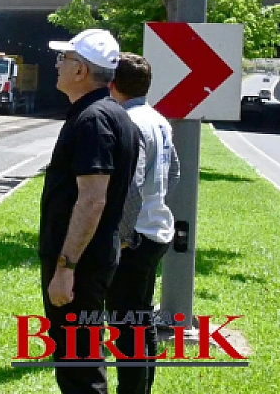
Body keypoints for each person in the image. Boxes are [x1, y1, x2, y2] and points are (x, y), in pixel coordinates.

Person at [41, 28, 140, 393]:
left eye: (63, 59)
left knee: (79, 368)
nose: (57, 66)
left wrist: (65, 267)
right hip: (90, 257)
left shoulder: (93, 120)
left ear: (81, 70)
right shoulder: (111, 114)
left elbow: (93, 198)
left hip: (79, 263)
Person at [107, 53, 177, 394]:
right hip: (156, 228)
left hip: (134, 237)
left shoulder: (128, 122)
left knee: (125, 326)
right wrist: (157, 199)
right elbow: (173, 172)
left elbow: (131, 186)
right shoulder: (160, 119)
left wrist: (121, 237)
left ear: (112, 83)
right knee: (140, 320)